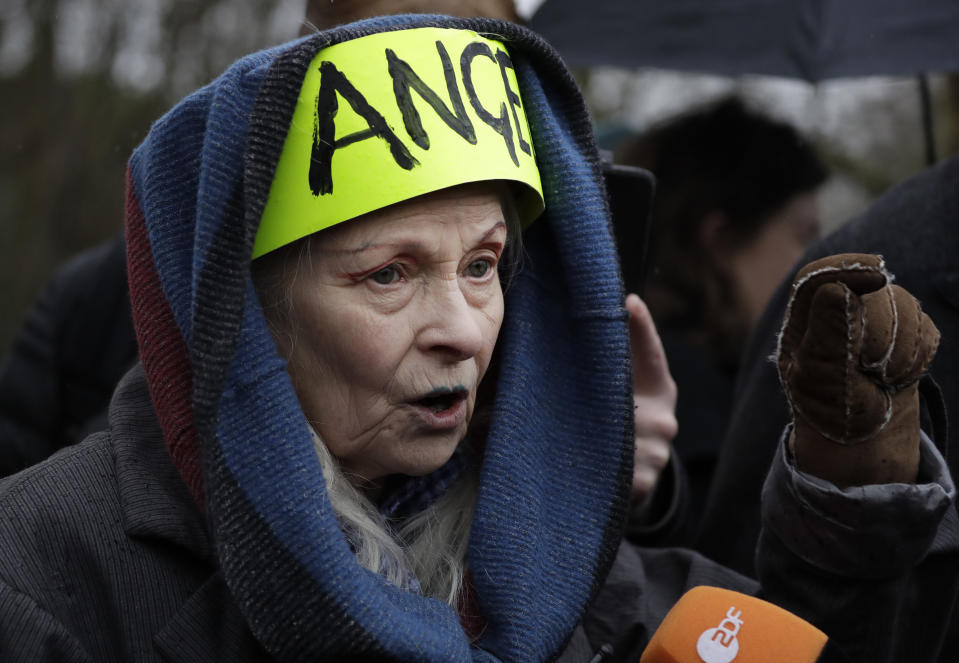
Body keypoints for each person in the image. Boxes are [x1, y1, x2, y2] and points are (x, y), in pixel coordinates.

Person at [0, 16, 952, 662]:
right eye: (387, 273)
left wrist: (847, 489)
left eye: (483, 264)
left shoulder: (555, 563)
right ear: (247, 313)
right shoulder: (42, 578)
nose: (461, 330)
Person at [697, 152, 959, 661]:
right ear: (721, 239)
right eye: (801, 229)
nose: (809, 244)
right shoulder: (872, 284)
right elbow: (740, 613)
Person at [614, 96, 829, 537]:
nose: (817, 263)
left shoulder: (725, 370)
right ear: (721, 239)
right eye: (803, 237)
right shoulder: (680, 392)